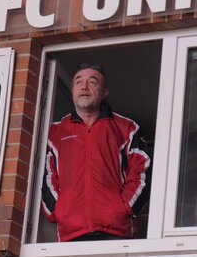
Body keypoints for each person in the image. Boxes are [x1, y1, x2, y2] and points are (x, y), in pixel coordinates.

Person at [42, 64, 151, 242]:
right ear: (73, 91)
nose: (84, 87)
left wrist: (125, 207)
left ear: (104, 92)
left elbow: (141, 171)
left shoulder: (126, 128)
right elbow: (47, 176)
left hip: (117, 232)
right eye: (78, 82)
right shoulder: (54, 132)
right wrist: (57, 210)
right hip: (71, 233)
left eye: (92, 82)